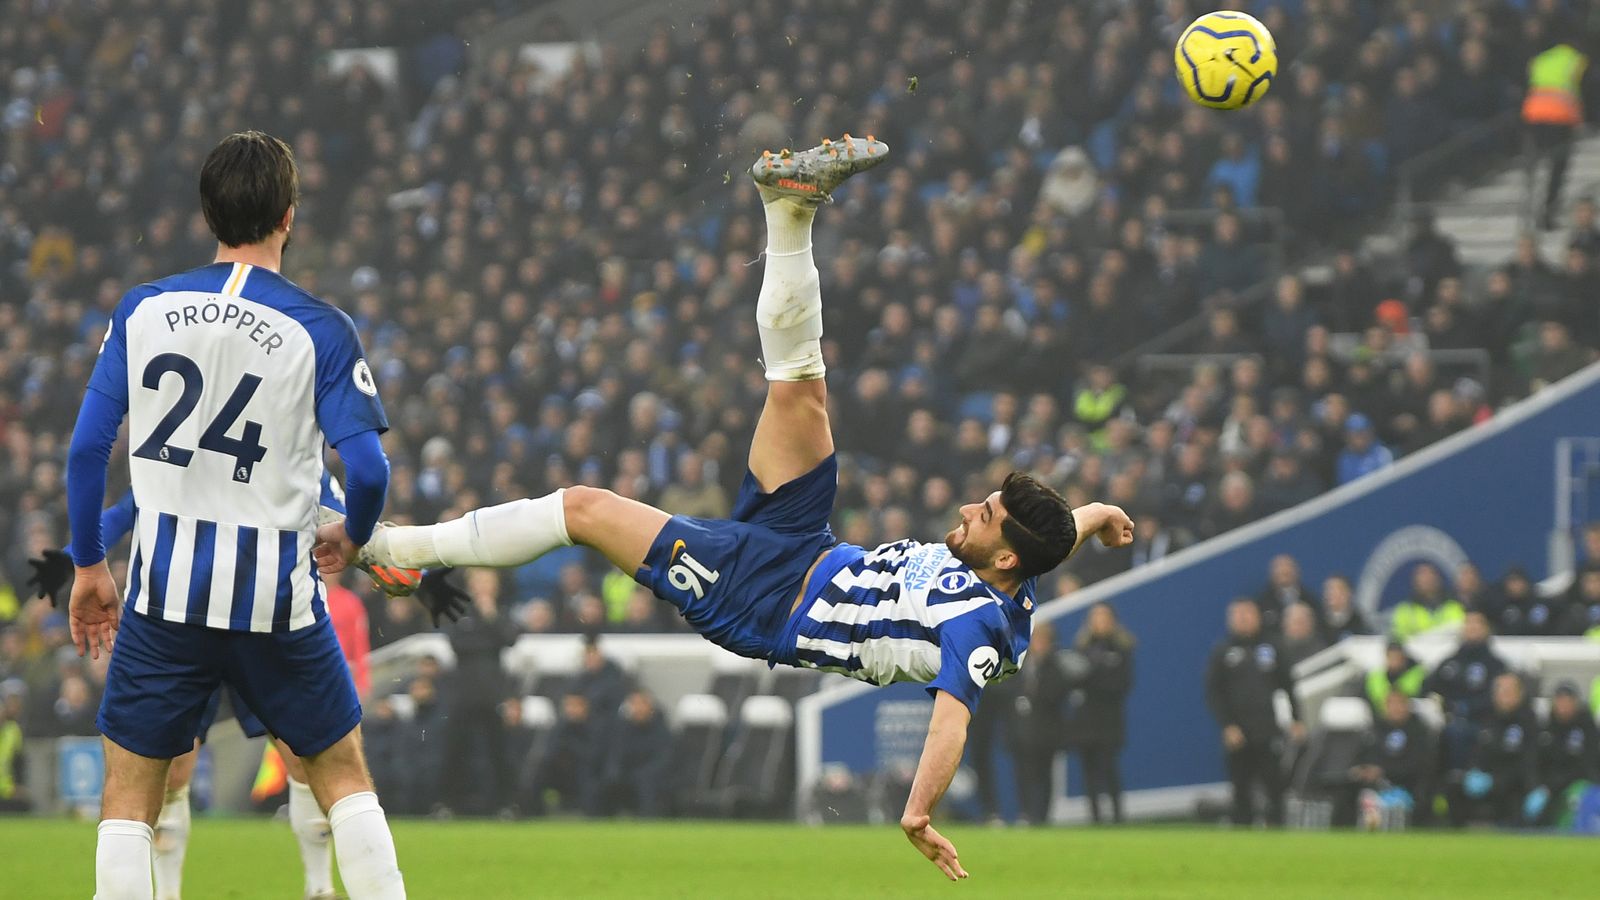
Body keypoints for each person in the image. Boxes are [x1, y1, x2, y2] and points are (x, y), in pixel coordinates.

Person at [319, 136, 1137, 881]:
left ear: (1002, 560)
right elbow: (1047, 548)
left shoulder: (978, 628)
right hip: (805, 540)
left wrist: (919, 811)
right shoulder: (1015, 566)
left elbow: (953, 717)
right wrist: (1094, 513)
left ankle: (395, 547)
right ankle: (788, 209)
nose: (967, 508)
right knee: (803, 393)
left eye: (985, 517)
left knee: (584, 508)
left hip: (763, 599)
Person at [64, 132, 406, 899]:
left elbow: (88, 449)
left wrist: (90, 565)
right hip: (276, 603)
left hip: (163, 600)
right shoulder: (320, 328)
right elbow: (371, 470)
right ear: (289, 216)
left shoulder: (143, 308)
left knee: (129, 794)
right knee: (342, 775)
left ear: (208, 213)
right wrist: (351, 535)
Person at [33, 478, 464, 900]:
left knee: (305, 758)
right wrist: (73, 557)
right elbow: (127, 510)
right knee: (171, 771)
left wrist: (421, 576)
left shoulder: (290, 451)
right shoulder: (180, 455)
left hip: (261, 625)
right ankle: (167, 893)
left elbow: (346, 515)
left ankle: (319, 888)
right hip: (185, 627)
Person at [1205, 598, 1304, 827]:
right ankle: (1242, 833)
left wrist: (1297, 719)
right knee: (1241, 788)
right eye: (1237, 615)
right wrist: (1227, 725)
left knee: (1274, 786)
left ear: (1257, 616)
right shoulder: (1223, 652)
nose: (1243, 619)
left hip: (1268, 729)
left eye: (1247, 614)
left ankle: (1278, 831)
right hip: (1238, 732)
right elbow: (1214, 694)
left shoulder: (1272, 648)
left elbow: (1288, 686)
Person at [992, 620, 1070, 826]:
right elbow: (1004, 689)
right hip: (1020, 731)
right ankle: (1026, 813)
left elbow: (1058, 693)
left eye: (1042, 640)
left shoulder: (1055, 666)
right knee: (1022, 774)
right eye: (1035, 640)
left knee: (1045, 775)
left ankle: (1043, 816)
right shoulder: (1018, 664)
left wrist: (1034, 697)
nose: (1038, 645)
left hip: (1046, 732)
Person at [1068, 603, 1134, 824]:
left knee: (1109, 768)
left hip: (1109, 719)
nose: (1100, 622)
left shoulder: (1121, 648)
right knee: (1089, 771)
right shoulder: (1082, 648)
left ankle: (1117, 816)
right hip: (1085, 720)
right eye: (1095, 617)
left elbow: (1122, 683)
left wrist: (1094, 677)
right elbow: (1074, 679)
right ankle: (1095, 817)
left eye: (1104, 617)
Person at [1452, 673, 1539, 827]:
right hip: (1485, 779)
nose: (1503, 695)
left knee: (1512, 798)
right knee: (1453, 785)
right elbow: (1478, 752)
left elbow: (1528, 761)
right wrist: (1473, 770)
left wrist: (1497, 779)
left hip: (1512, 784)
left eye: (1508, 691)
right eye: (1499, 691)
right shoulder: (1487, 719)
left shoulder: (1529, 722)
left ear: (1519, 694)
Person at [1522, 34, 1590, 230]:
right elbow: (1587, 87)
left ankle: (1531, 208)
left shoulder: (1542, 59)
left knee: (1537, 167)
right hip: (1560, 118)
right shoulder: (1577, 60)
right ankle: (1547, 212)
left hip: (1534, 116)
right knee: (1558, 167)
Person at [1347, 689, 1435, 829]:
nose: (1395, 708)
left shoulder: (1418, 731)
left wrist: (1383, 771)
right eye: (1391, 704)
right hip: (1374, 783)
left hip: (1406, 784)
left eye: (1399, 704)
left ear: (1407, 706)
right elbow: (1363, 755)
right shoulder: (1375, 729)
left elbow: (1420, 764)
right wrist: (1362, 769)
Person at [1532, 682, 1600, 825]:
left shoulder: (1587, 728)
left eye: (1567, 701)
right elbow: (1537, 760)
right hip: (1549, 787)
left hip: (1577, 784)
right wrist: (1539, 786)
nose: (1563, 706)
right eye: (1559, 701)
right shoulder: (1546, 728)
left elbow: (1589, 762)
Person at [1391, 562, 1466, 640]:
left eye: (1430, 575)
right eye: (1422, 576)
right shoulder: (1404, 611)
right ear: (1415, 582)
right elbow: (1399, 639)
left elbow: (1461, 633)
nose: (1426, 580)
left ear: (1438, 579)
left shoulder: (1455, 607)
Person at [1365, 640, 1426, 712]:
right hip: (1380, 715)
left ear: (1403, 657)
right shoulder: (1376, 676)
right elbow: (1370, 698)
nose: (1394, 661)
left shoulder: (1417, 673)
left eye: (1397, 657)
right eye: (1391, 657)